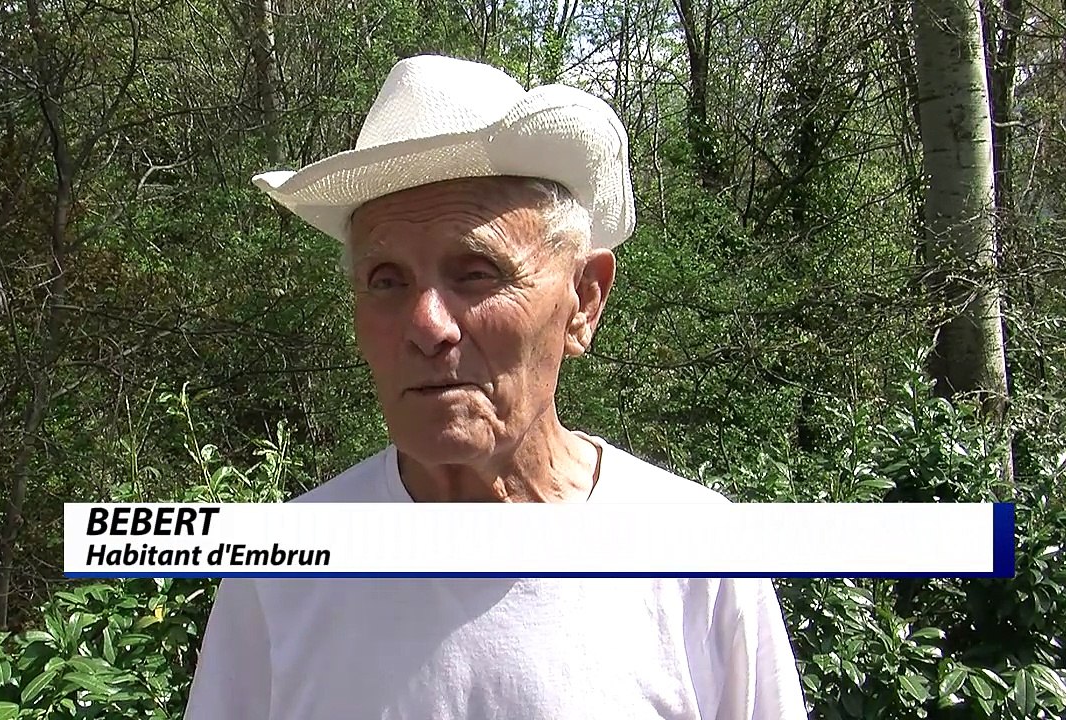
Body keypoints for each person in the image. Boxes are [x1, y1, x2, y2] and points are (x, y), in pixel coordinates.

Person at [183, 54, 807, 719]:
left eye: (476, 272)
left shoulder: (695, 556)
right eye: (387, 280)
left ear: (585, 300)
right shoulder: (281, 574)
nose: (427, 326)